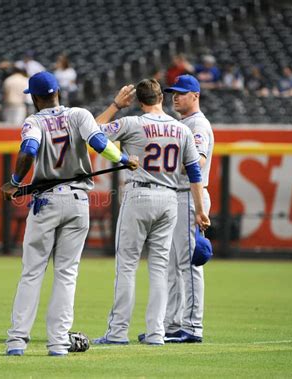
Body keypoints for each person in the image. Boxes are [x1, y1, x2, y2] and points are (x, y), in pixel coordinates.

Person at [0, 71, 139, 357]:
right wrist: (125, 159)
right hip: (78, 201)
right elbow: (100, 144)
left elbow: (28, 150)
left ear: (36, 98)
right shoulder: (79, 114)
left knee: (32, 273)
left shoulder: (34, 121)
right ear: (57, 93)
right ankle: (58, 343)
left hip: (46, 201)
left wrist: (15, 182)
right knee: (67, 274)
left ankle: (17, 342)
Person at [92, 79, 210, 345]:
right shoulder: (182, 129)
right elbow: (194, 172)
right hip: (169, 199)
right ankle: (157, 332)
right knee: (159, 268)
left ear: (139, 101)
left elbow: (93, 133)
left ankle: (118, 332)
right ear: (161, 98)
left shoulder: (132, 123)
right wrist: (200, 211)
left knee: (127, 266)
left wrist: (115, 105)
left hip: (140, 194)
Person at [161, 75, 214, 343]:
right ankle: (172, 325)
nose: (175, 97)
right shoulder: (183, 124)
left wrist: (161, 164)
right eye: (173, 92)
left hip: (189, 197)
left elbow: (198, 160)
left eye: (182, 92)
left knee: (189, 265)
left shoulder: (198, 125)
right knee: (172, 266)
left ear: (195, 95)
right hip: (176, 197)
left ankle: (192, 327)